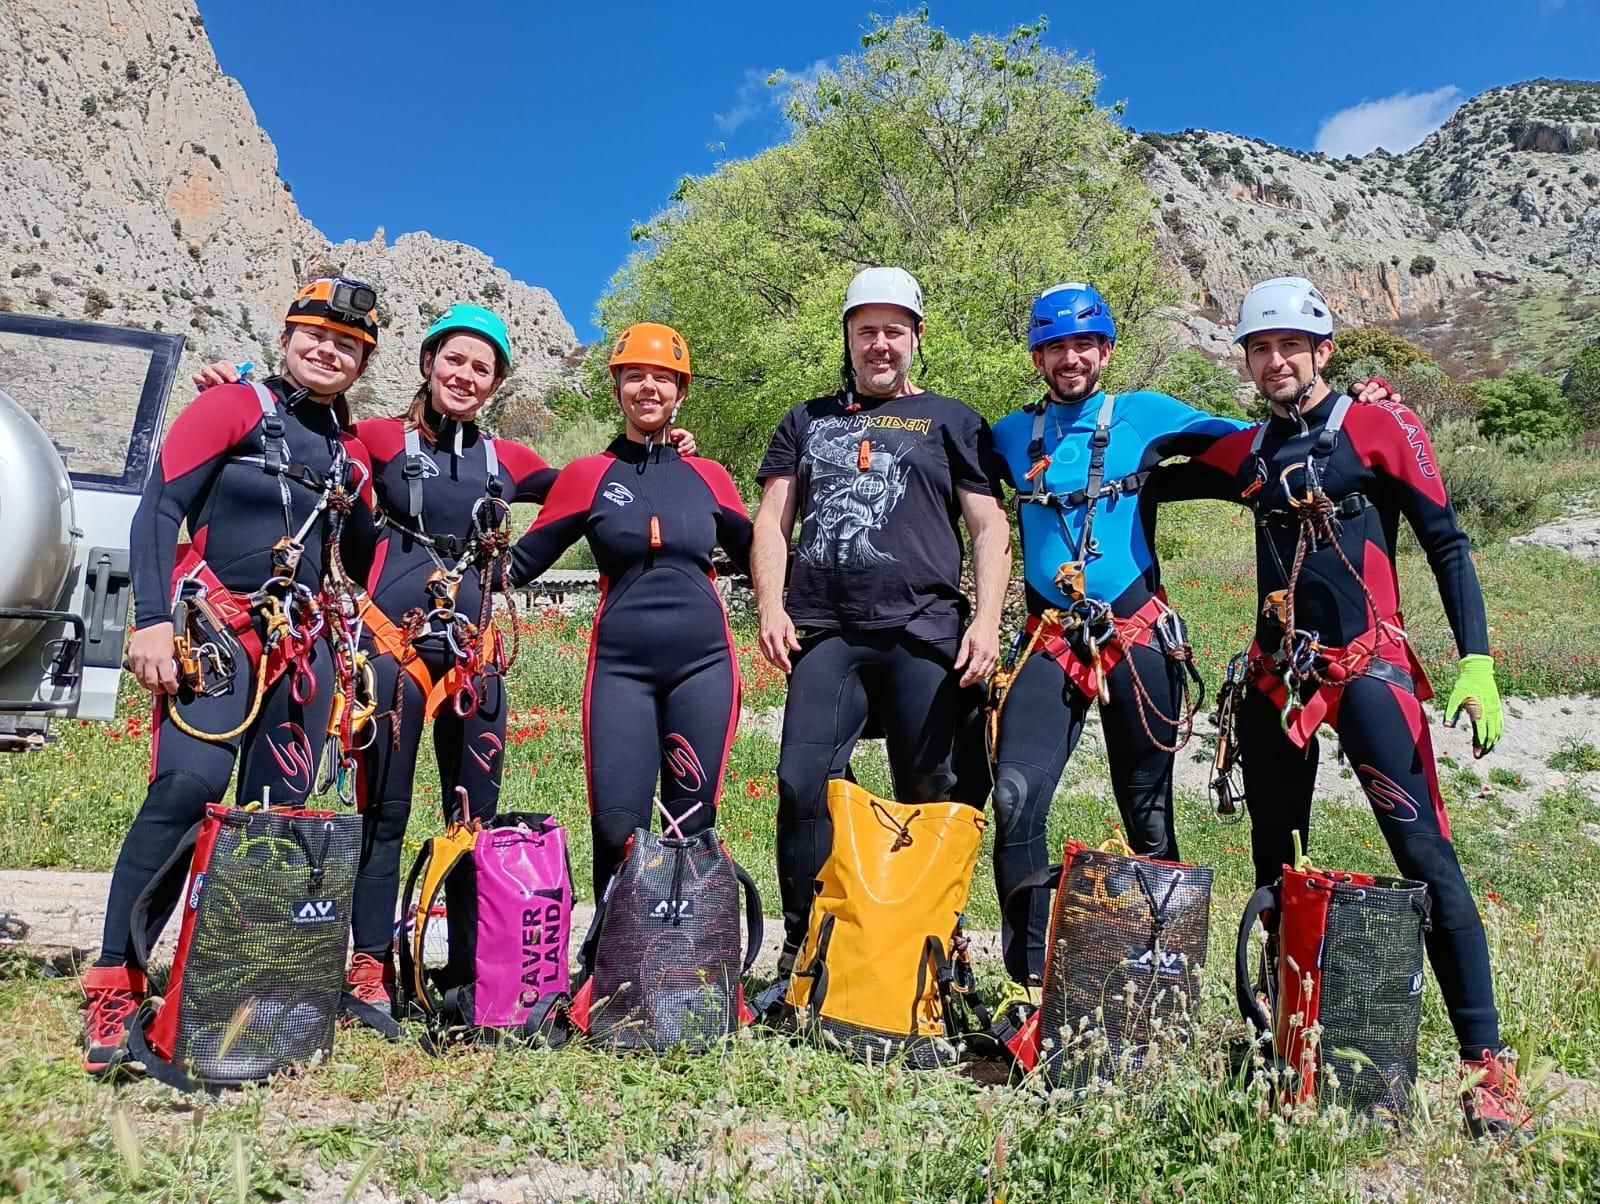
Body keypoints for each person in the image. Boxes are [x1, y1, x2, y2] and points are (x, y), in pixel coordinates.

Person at [1170, 275, 1523, 1138]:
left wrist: (1476, 662)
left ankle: (1486, 1065)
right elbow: (1153, 473)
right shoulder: (1249, 451)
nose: (1276, 361)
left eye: (1291, 345)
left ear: (1323, 350)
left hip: (1369, 671)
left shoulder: (1378, 424)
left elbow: (1446, 542)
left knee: (1426, 857)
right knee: (1276, 863)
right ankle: (1282, 1038)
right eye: (1260, 348)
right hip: (1275, 680)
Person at [81, 278, 381, 1073]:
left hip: (303, 647)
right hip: (215, 633)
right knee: (184, 793)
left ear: (363, 364)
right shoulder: (230, 406)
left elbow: (363, 558)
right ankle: (117, 983)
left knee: (276, 821)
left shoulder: (352, 454)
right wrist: (150, 620)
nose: (329, 351)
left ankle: (232, 985)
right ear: (287, 337)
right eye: (316, 335)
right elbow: (159, 507)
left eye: (348, 345)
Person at [751, 266, 1011, 981]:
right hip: (826, 630)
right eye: (866, 330)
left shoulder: (954, 420)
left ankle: (929, 947)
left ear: (916, 337)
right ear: (848, 337)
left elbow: (989, 527)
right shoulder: (806, 420)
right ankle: (807, 947)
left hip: (924, 630)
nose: (880, 345)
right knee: (803, 784)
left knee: (929, 790)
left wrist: (987, 620)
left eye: (893, 330)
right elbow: (772, 521)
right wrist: (769, 605)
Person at [986, 283, 1247, 990]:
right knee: (1013, 797)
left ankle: (1163, 978)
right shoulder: (1009, 435)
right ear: (1037, 357)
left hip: (1136, 634)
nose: (1070, 358)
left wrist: (1353, 410)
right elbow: (934, 464)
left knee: (1148, 814)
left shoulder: (1144, 414)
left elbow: (1250, 441)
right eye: (1055, 347)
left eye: (1083, 344)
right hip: (1049, 636)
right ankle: (1028, 982)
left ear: (1105, 350)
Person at [507, 323, 751, 899]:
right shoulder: (587, 476)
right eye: (635, 376)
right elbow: (520, 562)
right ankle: (613, 952)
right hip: (621, 673)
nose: (648, 387)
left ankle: (683, 951)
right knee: (617, 828)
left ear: (681, 391)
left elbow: (763, 558)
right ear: (616, 387)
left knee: (691, 826)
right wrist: (440, 574)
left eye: (663, 378)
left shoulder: (709, 476)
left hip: (704, 668)